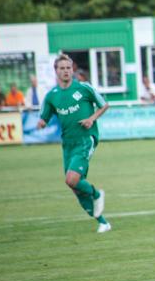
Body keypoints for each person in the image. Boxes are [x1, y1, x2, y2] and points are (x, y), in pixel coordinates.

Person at [36, 54, 112, 233]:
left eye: (68, 68)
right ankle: (103, 222)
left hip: (86, 140)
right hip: (68, 144)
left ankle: (96, 194)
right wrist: (41, 123)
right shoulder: (52, 96)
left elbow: (104, 105)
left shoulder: (84, 88)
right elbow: (44, 117)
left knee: (72, 179)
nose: (66, 71)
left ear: (73, 70)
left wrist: (91, 119)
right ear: (56, 71)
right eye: (62, 68)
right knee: (74, 186)